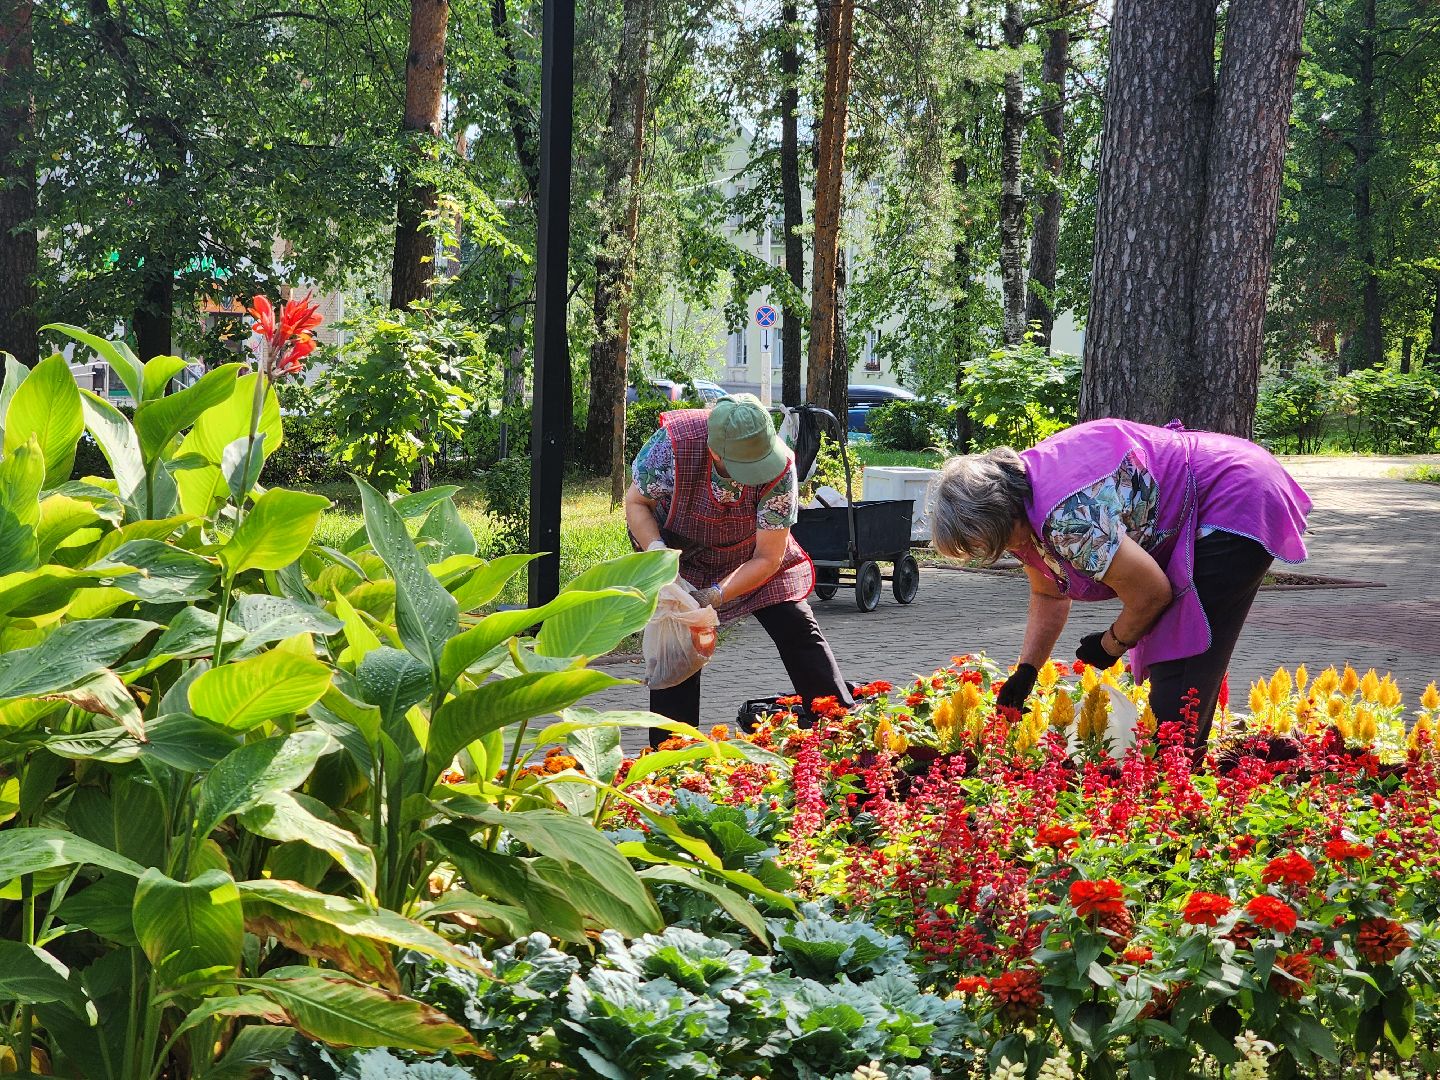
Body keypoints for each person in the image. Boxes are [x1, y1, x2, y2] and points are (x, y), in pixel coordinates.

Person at [930, 418, 1312, 754]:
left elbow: (1151, 594)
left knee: (1181, 672)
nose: (1005, 551)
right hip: (1217, 488)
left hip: (1235, 495)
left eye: (993, 541)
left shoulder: (1067, 518)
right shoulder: (1020, 497)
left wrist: (1110, 644)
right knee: (1174, 679)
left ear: (1000, 512)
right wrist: (1028, 669)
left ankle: (1179, 801)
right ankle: (1175, 783)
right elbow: (1048, 591)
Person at [624, 394, 853, 745]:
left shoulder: (780, 467)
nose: (754, 478)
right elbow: (637, 502)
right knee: (679, 645)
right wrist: (659, 557)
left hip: (751, 555)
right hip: (677, 554)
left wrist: (716, 594)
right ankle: (672, 759)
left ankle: (844, 735)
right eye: (746, 468)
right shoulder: (674, 446)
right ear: (716, 453)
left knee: (797, 626)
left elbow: (768, 557)